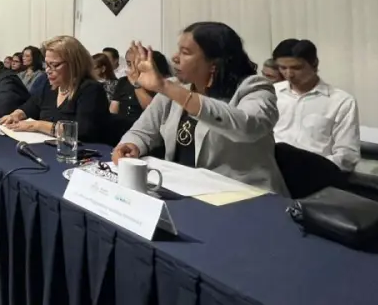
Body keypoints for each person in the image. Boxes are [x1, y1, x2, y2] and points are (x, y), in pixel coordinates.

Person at [113, 22, 289, 196]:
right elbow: (142, 132)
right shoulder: (174, 88)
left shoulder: (254, 87)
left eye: (185, 52)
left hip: (244, 194)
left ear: (214, 63)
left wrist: (167, 88)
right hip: (185, 190)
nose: (175, 57)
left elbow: (248, 127)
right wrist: (131, 145)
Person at [0, 36, 117, 144]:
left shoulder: (90, 89)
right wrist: (16, 114)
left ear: (74, 64)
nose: (48, 70)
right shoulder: (48, 85)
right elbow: (31, 106)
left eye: (54, 65)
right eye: (47, 65)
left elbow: (82, 131)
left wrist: (37, 125)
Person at [272, 39, 360, 172]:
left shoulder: (341, 101)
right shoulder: (272, 93)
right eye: (283, 68)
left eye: (297, 68)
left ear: (314, 64)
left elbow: (347, 156)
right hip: (271, 170)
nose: (289, 74)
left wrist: (313, 167)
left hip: (315, 173)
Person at [111, 49, 172, 117]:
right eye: (129, 63)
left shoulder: (152, 81)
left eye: (135, 62)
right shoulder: (123, 81)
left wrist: (136, 84)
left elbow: (153, 110)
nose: (133, 66)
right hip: (121, 121)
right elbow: (113, 108)